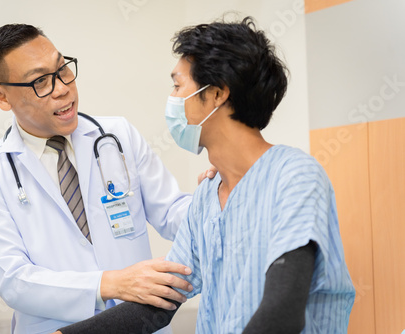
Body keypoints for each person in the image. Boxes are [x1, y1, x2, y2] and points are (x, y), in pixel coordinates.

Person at [55, 16, 356, 334]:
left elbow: (282, 313)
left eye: (177, 85)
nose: (172, 99)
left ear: (216, 94)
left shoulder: (295, 178)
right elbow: (160, 303)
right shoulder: (208, 196)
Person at [0, 24, 197, 334]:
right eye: (40, 82)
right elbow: (12, 279)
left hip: (140, 326)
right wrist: (111, 284)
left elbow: (171, 211)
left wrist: (219, 196)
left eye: (62, 69)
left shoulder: (118, 136)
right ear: (1, 97)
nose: (62, 88)